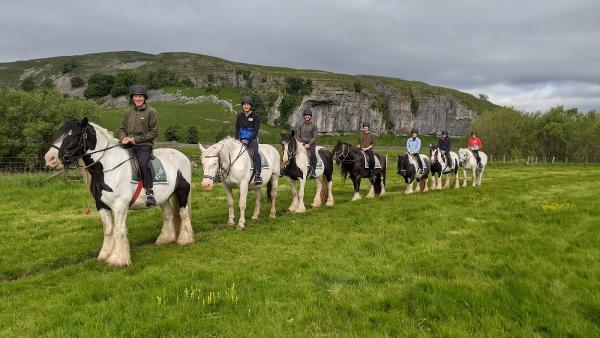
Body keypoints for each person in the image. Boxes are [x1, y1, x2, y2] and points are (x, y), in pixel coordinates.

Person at [119, 84, 159, 207]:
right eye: (135, 96)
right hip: (128, 144)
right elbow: (121, 128)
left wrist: (135, 139)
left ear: (144, 97)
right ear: (132, 98)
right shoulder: (127, 112)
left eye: (140, 96)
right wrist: (123, 138)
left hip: (144, 145)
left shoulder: (151, 111)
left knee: (142, 163)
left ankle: (149, 192)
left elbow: (154, 132)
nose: (138, 99)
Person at [235, 96, 262, 185]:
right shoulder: (240, 116)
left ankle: (258, 175)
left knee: (256, 154)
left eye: (247, 105)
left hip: (252, 140)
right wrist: (237, 140)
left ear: (251, 106)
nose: (246, 106)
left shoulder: (255, 117)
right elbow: (237, 129)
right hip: (241, 140)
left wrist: (248, 141)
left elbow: (255, 130)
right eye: (244, 105)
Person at [297, 109, 318, 179]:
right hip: (301, 144)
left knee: (313, 155)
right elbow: (298, 136)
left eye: (308, 115)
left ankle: (313, 172)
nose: (307, 116)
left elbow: (315, 136)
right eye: (306, 115)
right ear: (304, 116)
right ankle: (287, 169)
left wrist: (309, 144)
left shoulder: (314, 126)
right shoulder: (300, 126)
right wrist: (301, 143)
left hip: (310, 144)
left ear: (310, 117)